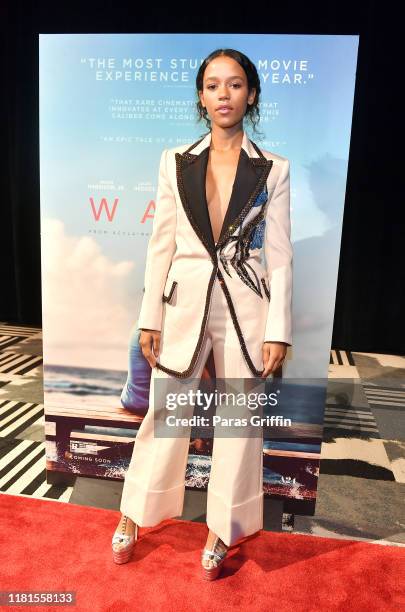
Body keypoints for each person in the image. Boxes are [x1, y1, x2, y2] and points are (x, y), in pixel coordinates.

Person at [111, 47, 293, 580]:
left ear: (251, 94)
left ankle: (222, 530)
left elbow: (279, 254)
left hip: (247, 309)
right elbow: (160, 243)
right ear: (200, 95)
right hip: (182, 303)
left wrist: (278, 327)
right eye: (213, 85)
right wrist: (150, 317)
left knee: (238, 423)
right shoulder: (174, 160)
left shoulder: (274, 169)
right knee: (165, 415)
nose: (224, 95)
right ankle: (133, 514)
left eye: (235, 85)